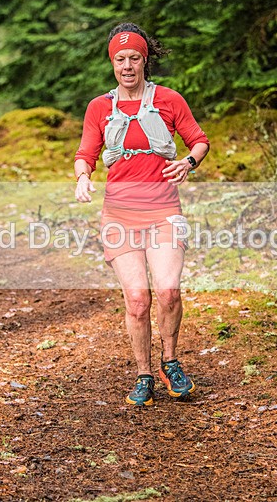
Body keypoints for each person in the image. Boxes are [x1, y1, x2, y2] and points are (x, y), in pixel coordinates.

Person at [74, 22, 210, 406]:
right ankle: (143, 373)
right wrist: (83, 178)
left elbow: (199, 141)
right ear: (112, 64)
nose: (128, 66)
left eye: (134, 58)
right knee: (137, 300)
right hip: (119, 214)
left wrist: (187, 162)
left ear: (144, 60)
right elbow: (86, 154)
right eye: (120, 60)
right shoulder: (99, 107)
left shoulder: (168, 99)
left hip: (164, 208)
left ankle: (171, 362)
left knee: (167, 291)